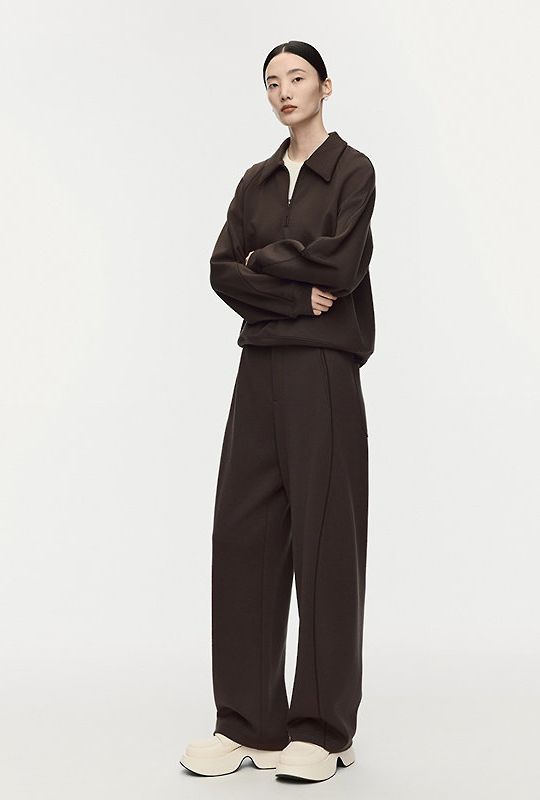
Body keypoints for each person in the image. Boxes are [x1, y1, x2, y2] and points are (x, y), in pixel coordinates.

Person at [180, 40, 376, 783]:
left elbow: (342, 264)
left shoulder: (352, 170)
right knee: (243, 533)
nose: (284, 90)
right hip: (259, 365)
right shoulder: (256, 181)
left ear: (325, 86)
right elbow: (221, 270)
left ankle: (324, 729)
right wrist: (291, 289)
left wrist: (265, 262)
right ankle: (247, 722)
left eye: (297, 77)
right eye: (271, 82)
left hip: (323, 369)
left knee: (326, 539)